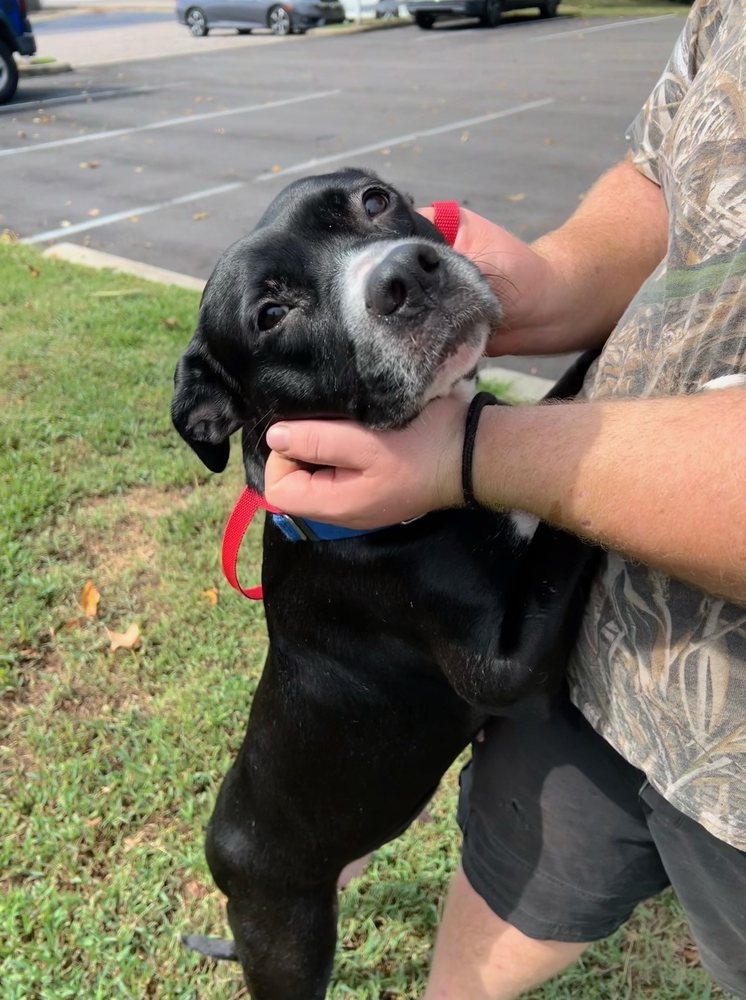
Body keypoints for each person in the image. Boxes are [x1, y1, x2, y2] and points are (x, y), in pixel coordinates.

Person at [264, 0, 746, 996]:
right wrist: (552, 282)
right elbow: (677, 161)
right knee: (467, 966)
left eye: (369, 209)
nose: (384, 263)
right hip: (596, 677)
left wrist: (483, 451)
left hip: (727, 757)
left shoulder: (462, 480)